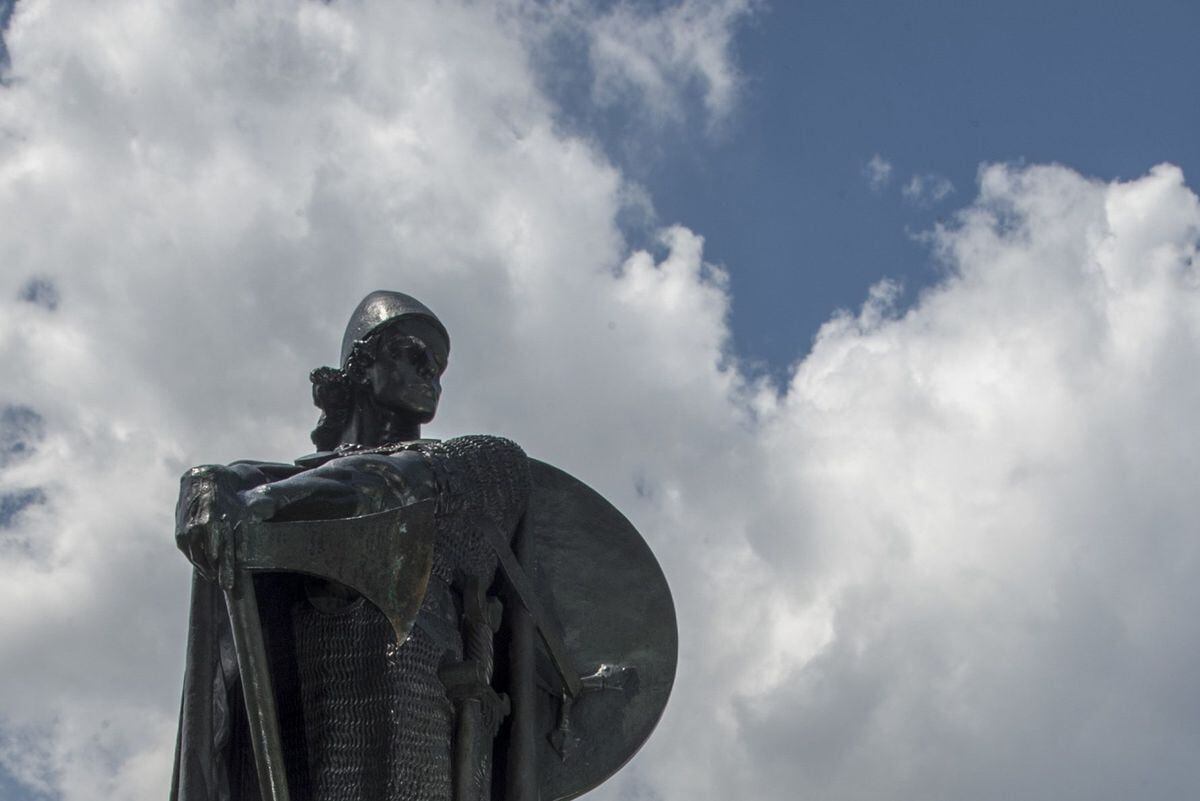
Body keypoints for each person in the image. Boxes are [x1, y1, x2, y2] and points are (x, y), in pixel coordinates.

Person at [171, 291, 529, 801]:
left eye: (440, 366)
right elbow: (277, 484)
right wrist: (204, 484)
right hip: (310, 703)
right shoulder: (284, 484)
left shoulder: (480, 464)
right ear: (362, 366)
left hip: (417, 700)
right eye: (413, 354)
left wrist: (252, 498)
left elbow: (384, 485)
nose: (431, 374)